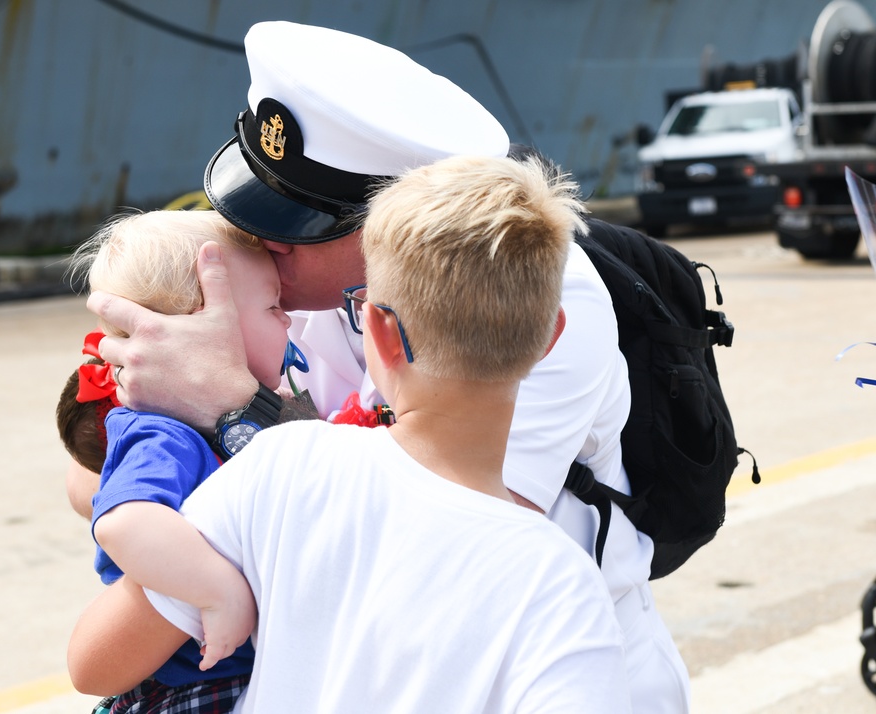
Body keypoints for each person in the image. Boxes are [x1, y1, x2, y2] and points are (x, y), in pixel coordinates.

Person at [82, 21, 691, 712]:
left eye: (297, 227)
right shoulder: (291, 284)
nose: (260, 243)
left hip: (534, 669)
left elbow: (425, 540)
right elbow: (90, 490)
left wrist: (229, 409)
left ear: (393, 224)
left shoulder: (539, 295)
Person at [60, 208, 295, 711]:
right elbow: (125, 524)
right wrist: (219, 594)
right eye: (273, 307)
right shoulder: (164, 433)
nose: (289, 319)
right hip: (192, 688)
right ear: (197, 329)